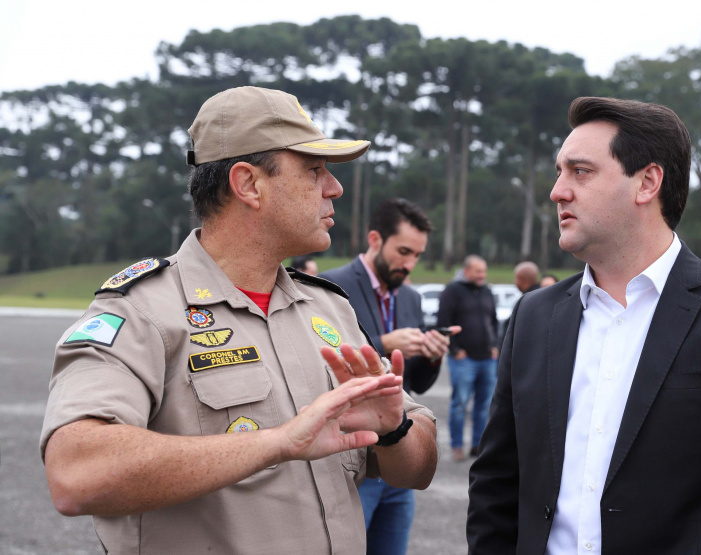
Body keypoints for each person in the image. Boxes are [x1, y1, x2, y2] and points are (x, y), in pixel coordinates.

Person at [40, 86, 438, 555]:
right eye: (314, 170)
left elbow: (417, 469)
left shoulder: (329, 307)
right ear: (248, 184)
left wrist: (394, 431)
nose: (334, 188)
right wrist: (279, 442)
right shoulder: (140, 310)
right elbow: (75, 474)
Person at [467, 97, 701, 554]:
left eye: (580, 171)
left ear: (647, 182)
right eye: (560, 172)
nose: (558, 191)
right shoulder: (534, 317)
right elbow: (497, 483)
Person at [320, 197, 460, 555]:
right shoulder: (328, 287)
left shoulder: (410, 298)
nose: (409, 264)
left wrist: (430, 356)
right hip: (353, 461)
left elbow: (417, 386)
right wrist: (384, 343)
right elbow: (321, 363)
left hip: (399, 453)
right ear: (375, 240)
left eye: (417, 255)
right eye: (403, 251)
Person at [436, 255, 499, 461]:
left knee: (484, 405)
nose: (483, 275)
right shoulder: (452, 291)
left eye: (484, 271)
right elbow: (442, 323)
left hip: (487, 359)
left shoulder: (487, 292)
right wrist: (455, 350)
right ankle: (456, 446)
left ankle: (478, 445)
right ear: (467, 270)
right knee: (460, 404)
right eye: (479, 271)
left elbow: (493, 321)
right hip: (464, 360)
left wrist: (495, 346)